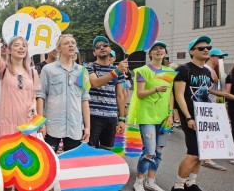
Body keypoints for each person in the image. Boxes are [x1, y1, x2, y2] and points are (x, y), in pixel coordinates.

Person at [171, 36, 223, 191]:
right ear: (192, 52)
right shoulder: (183, 69)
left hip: (205, 117)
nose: (206, 50)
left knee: (202, 153)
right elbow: (179, 95)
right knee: (193, 153)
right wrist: (187, 117)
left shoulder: (207, 72)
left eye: (208, 47)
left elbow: (206, 94)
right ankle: (178, 185)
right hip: (191, 117)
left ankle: (190, 183)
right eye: (201, 48)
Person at [128, 41, 174, 191]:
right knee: (149, 151)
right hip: (147, 116)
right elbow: (139, 93)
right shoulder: (142, 70)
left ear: (165, 52)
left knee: (158, 151)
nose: (159, 51)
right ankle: (139, 181)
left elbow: (171, 94)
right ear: (150, 54)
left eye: (161, 48)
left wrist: (171, 113)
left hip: (164, 117)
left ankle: (151, 180)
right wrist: (155, 89)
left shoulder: (168, 72)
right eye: (155, 49)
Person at [37, 34, 91, 152]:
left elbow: (85, 99)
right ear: (59, 49)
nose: (71, 44)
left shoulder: (82, 71)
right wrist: (41, 124)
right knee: (48, 161)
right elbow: (40, 96)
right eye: (66, 43)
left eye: (73, 42)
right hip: (52, 125)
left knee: (72, 163)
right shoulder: (48, 69)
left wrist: (87, 127)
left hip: (75, 126)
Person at [0, 37, 40, 141]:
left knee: (27, 155)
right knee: (7, 154)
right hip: (7, 121)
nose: (21, 48)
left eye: (24, 45)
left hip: (27, 121)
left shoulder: (32, 72)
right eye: (17, 45)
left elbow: (34, 97)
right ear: (9, 50)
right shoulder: (3, 68)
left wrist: (34, 105)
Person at [85, 36, 127, 150]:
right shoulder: (89, 66)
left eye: (105, 45)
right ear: (94, 52)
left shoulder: (118, 70)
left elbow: (120, 95)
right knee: (90, 152)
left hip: (111, 117)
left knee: (107, 153)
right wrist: (116, 71)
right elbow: (95, 83)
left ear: (109, 49)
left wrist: (122, 119)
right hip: (93, 117)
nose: (102, 48)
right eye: (98, 47)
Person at [200, 47, 229, 171]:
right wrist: (226, 95)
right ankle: (206, 159)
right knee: (207, 133)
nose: (221, 59)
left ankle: (207, 158)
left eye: (222, 57)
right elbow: (206, 89)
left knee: (211, 132)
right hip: (206, 105)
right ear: (211, 57)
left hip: (212, 104)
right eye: (219, 57)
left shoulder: (214, 70)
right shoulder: (207, 70)